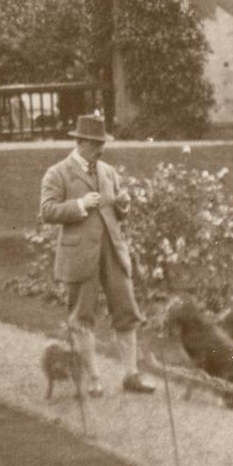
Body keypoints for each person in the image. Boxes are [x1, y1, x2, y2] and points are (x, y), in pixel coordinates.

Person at [38, 113, 155, 396]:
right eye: (97, 143)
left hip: (112, 251)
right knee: (82, 318)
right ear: (83, 142)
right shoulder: (58, 173)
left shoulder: (107, 171)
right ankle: (92, 378)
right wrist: (78, 204)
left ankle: (131, 375)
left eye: (102, 144)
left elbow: (115, 211)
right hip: (80, 256)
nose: (101, 149)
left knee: (127, 313)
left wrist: (123, 206)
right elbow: (47, 211)